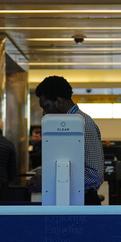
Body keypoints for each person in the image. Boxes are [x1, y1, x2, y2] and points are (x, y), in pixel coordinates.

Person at [36, 75, 104, 205]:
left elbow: (94, 176)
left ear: (59, 102)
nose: (44, 113)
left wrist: (48, 181)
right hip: (65, 198)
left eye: (45, 107)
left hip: (84, 201)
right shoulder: (62, 125)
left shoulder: (84, 125)